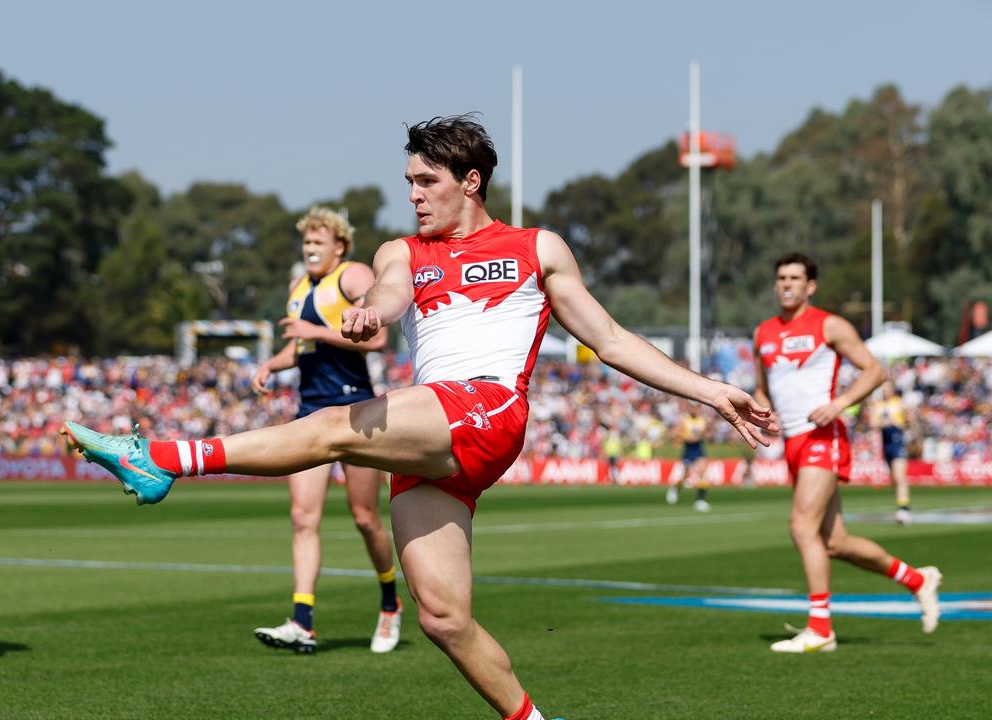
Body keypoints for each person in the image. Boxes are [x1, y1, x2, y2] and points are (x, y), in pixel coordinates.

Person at [64, 115, 773, 720]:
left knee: (335, 427)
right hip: (437, 440)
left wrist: (710, 392)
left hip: (487, 407)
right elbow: (395, 292)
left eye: (425, 181)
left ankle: (159, 458)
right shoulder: (401, 252)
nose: (412, 195)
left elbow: (611, 339)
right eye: (408, 182)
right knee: (443, 617)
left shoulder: (536, 248)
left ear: (470, 180)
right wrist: (374, 310)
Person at [753, 252, 940, 653]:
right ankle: (917, 579)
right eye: (781, 277)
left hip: (824, 435)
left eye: (794, 278)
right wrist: (759, 409)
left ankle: (821, 629)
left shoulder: (830, 325)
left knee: (802, 527)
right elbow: (764, 387)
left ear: (810, 286)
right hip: (792, 441)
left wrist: (839, 405)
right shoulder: (763, 332)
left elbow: (875, 370)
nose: (786, 284)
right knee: (834, 542)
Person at [250, 206, 403, 654]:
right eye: (306, 243)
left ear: (339, 246)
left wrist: (311, 329)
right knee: (303, 517)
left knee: (364, 517)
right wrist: (272, 364)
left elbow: (376, 338)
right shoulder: (299, 289)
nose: (310, 249)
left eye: (318, 242)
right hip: (310, 411)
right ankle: (302, 621)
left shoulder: (353, 276)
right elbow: (302, 347)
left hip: (355, 409)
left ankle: (390, 601)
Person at [869, 379, 913, 526]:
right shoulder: (878, 405)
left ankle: (904, 508)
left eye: (887, 388)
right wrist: (883, 423)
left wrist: (898, 422)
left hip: (897, 440)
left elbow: (909, 421)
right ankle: (901, 503)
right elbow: (873, 424)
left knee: (900, 475)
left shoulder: (900, 403)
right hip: (885, 442)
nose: (885, 390)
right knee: (894, 477)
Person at [665, 401, 711, 511]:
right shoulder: (684, 420)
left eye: (696, 407)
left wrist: (703, 435)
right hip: (688, 449)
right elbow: (675, 433)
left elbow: (706, 434)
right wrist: (685, 437)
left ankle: (700, 500)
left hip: (698, 448)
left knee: (702, 473)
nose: (694, 409)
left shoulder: (702, 420)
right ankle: (675, 489)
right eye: (692, 407)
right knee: (685, 476)